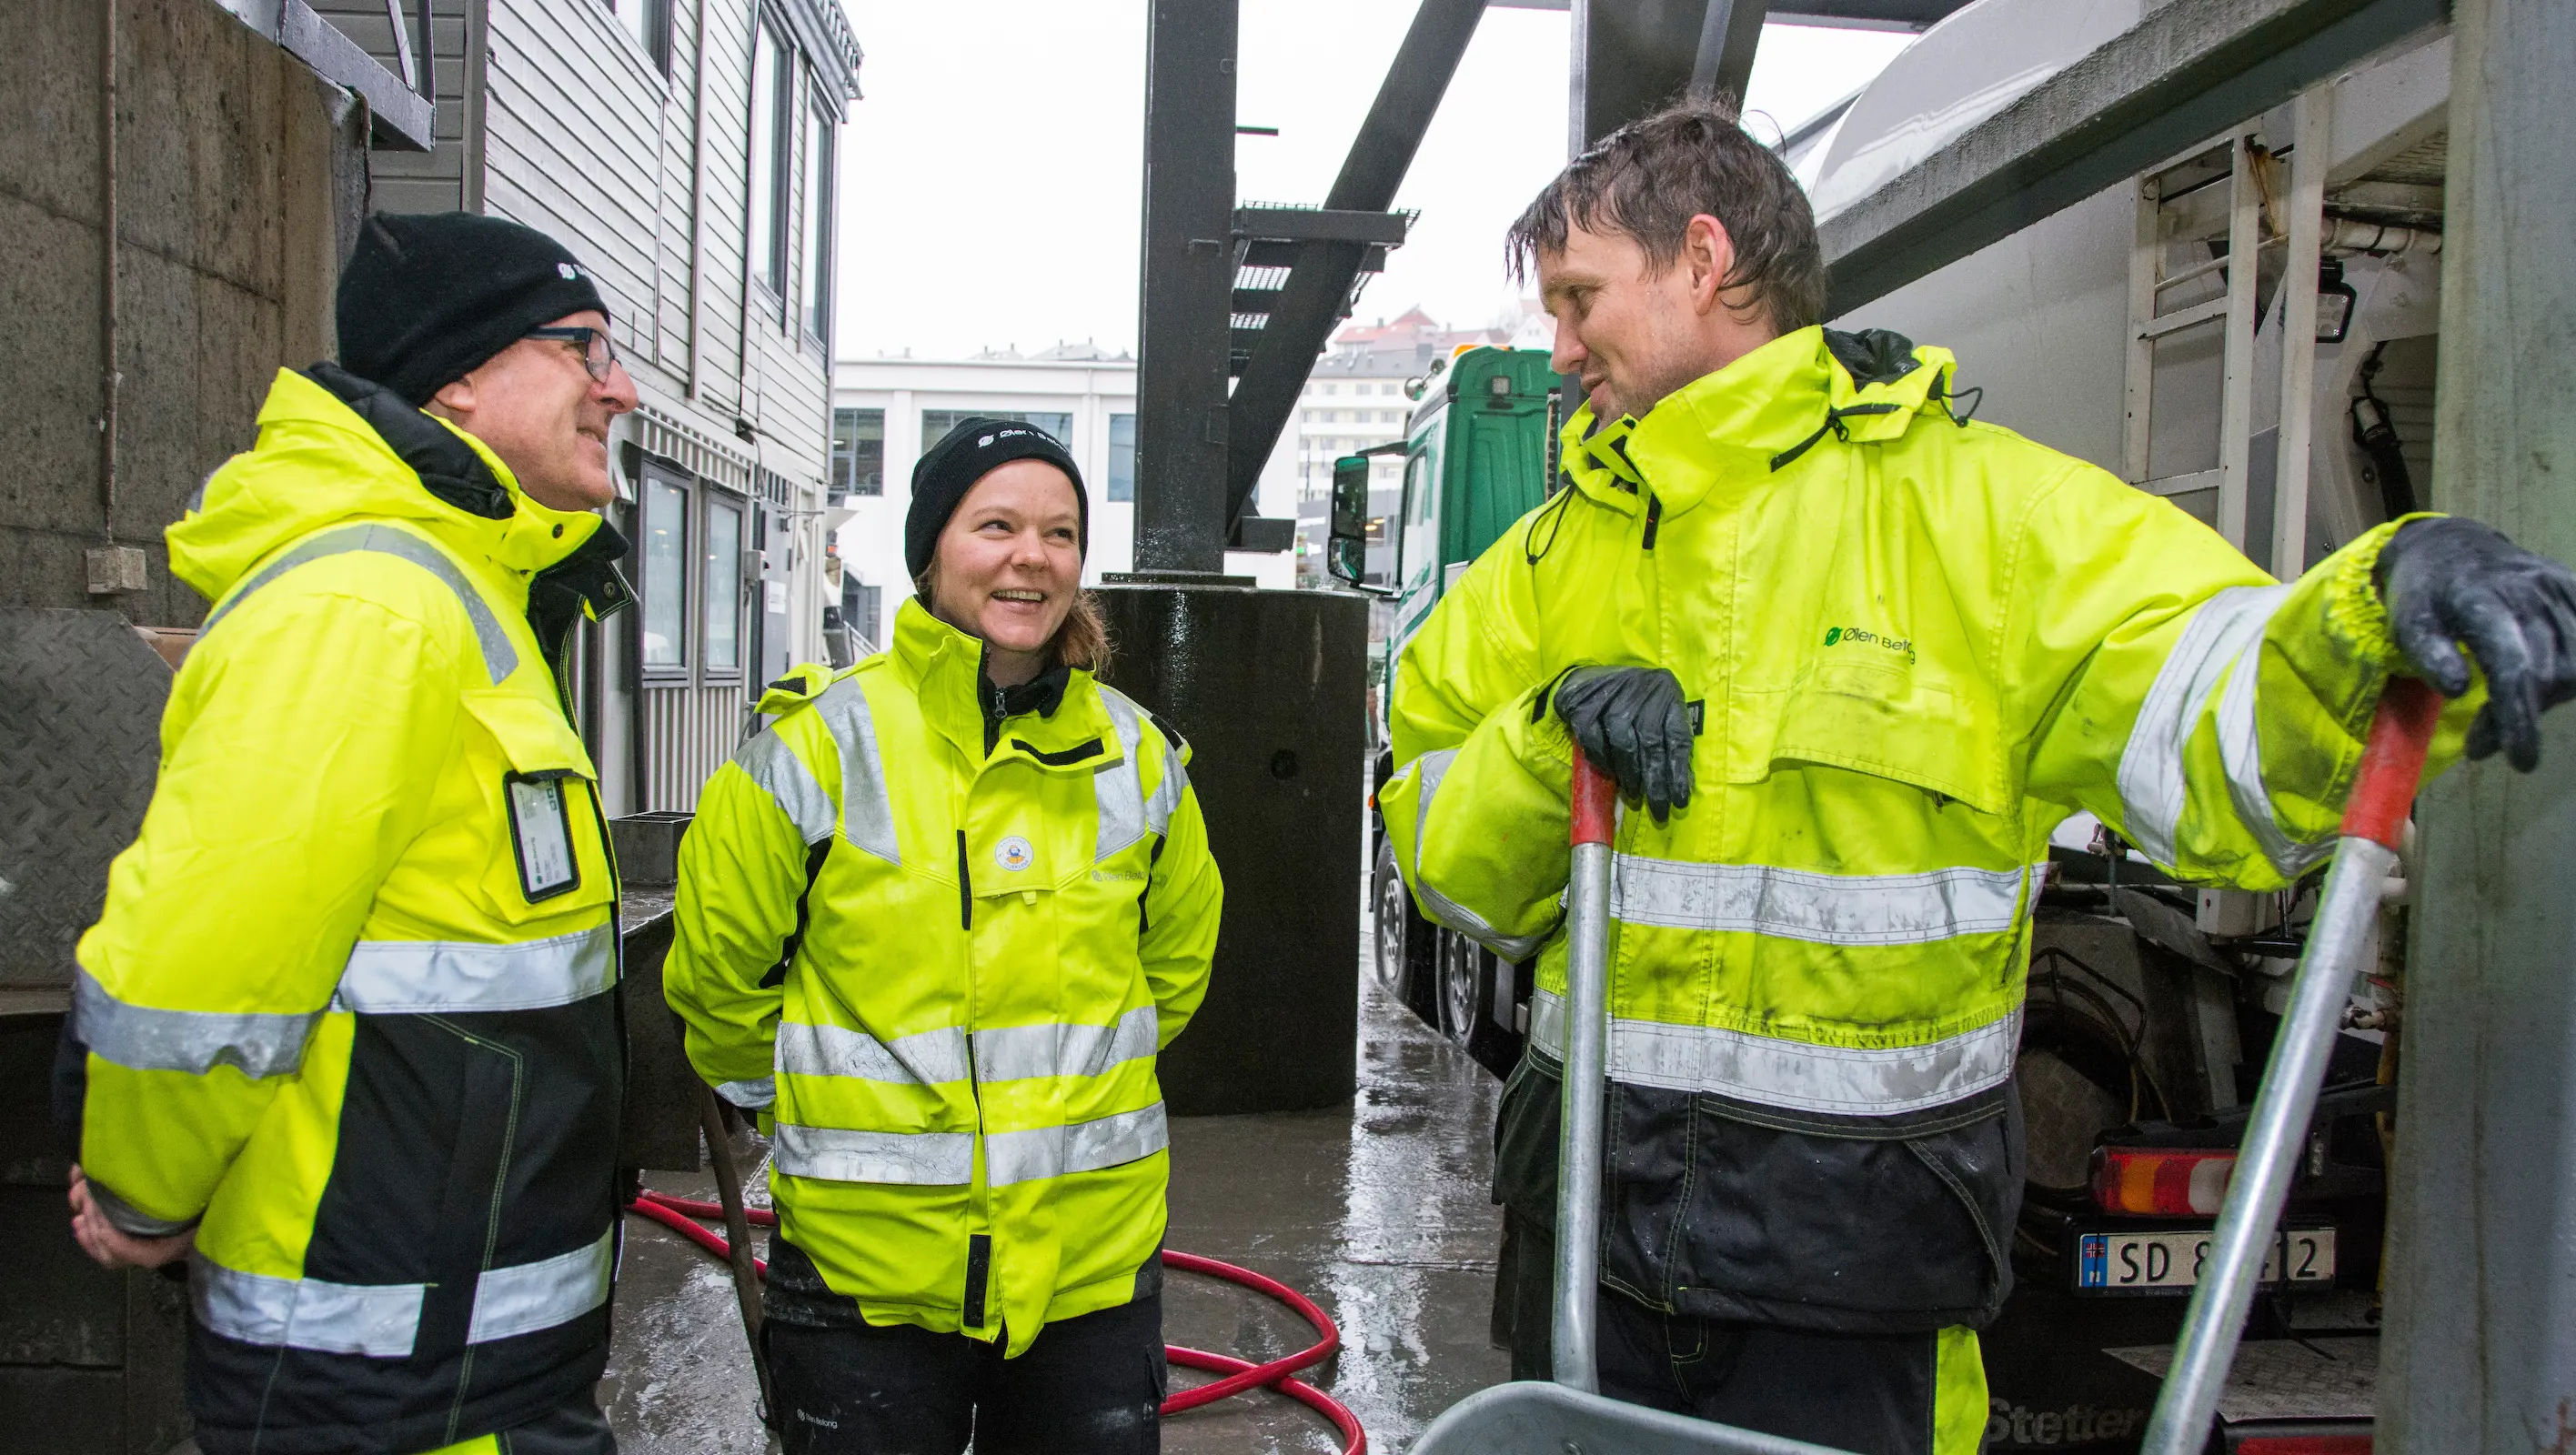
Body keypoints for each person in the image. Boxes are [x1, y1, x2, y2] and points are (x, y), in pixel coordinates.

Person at [1379, 101, 2576, 1455]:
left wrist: (2367, 611)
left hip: (1853, 1269)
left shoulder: (1985, 521)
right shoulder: (1538, 571)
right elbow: (1444, 864)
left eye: (1579, 298)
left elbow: (2214, 692)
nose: (1562, 346)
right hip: (1580, 1233)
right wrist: (1550, 745)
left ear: (1703, 259)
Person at [60, 211, 641, 1455]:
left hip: (459, 1360)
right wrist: (141, 1195)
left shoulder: (456, 595)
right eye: (585, 350)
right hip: (377, 1382)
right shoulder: (367, 608)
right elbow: (201, 967)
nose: (622, 389)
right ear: (460, 381)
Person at [663, 418, 1222, 1455]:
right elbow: (717, 981)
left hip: (1088, 1277)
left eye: (1059, 533)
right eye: (996, 524)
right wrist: (825, 1111)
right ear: (930, 552)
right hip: (866, 1282)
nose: (1032, 556)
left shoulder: (1138, 758)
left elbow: (1175, 973)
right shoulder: (813, 747)